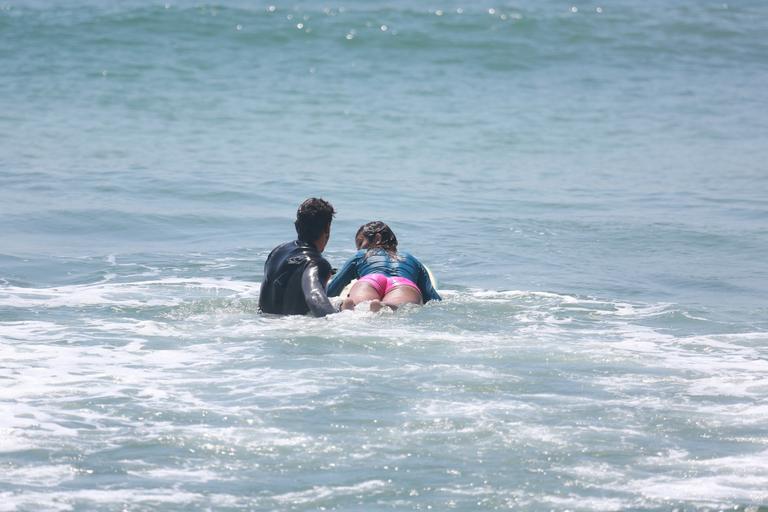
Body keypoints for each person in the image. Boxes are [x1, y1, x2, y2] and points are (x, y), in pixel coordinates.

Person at [326, 221, 441, 311]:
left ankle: (348, 306)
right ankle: (386, 306)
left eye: (361, 243)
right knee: (395, 312)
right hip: (403, 285)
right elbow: (433, 299)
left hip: (369, 282)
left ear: (377, 238)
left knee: (359, 309)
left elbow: (331, 292)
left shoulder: (361, 255)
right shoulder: (411, 259)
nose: (359, 248)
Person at [258, 198, 338, 317]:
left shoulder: (277, 252)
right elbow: (314, 297)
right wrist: (337, 324)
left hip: (260, 326)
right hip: (293, 330)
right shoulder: (316, 263)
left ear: (296, 226)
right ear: (327, 228)